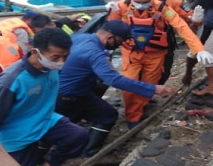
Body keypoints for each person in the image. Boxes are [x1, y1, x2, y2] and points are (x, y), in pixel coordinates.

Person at [0, 28, 87, 166]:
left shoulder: (50, 67)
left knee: (78, 136)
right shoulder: (12, 80)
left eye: (65, 56)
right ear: (36, 52)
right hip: (17, 136)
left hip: (44, 120)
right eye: (56, 57)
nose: (61, 62)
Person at [57, 20, 174, 157]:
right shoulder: (95, 53)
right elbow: (115, 80)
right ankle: (88, 154)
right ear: (110, 37)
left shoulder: (79, 37)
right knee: (105, 116)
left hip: (62, 89)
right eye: (120, 41)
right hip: (69, 96)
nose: (121, 44)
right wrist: (153, 89)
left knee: (104, 113)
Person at [107, 0, 213, 127]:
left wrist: (199, 49)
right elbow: (109, 29)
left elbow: (181, 26)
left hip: (155, 54)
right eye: (137, 2)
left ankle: (138, 109)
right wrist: (109, 12)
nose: (141, 5)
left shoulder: (163, 8)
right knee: (129, 84)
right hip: (131, 52)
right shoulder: (120, 6)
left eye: (144, 2)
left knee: (149, 84)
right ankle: (133, 117)